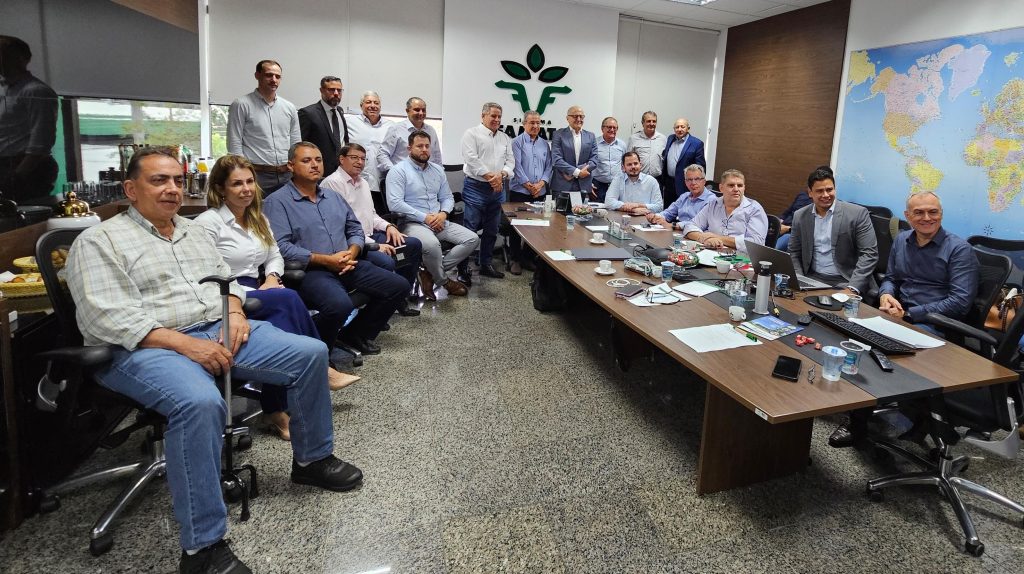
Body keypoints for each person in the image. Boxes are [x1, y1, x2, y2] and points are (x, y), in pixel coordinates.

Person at [66, 147, 362, 573]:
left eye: (176, 179)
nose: (171, 189)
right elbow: (107, 318)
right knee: (201, 402)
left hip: (215, 326)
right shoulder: (100, 241)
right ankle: (202, 550)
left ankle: (312, 461)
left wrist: (236, 313)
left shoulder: (194, 232)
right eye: (158, 180)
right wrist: (188, 346)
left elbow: (229, 284)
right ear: (130, 189)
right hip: (143, 346)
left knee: (310, 353)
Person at [195, 154, 362, 440]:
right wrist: (256, 290)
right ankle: (318, 369)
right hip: (224, 294)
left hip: (261, 288)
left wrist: (272, 277)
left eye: (250, 182)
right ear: (221, 188)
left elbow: (274, 254)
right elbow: (208, 271)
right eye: (237, 184)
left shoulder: (257, 217)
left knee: (283, 318)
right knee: (288, 300)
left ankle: (276, 408)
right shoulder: (207, 223)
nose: (246, 189)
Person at [829, 191, 979, 449]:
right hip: (897, 314)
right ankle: (866, 414)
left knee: (877, 355)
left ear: (941, 214)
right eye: (919, 212)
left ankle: (861, 423)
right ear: (908, 216)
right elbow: (891, 278)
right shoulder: (902, 240)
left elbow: (960, 302)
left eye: (933, 212)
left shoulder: (959, 250)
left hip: (933, 323)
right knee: (854, 340)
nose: (927, 218)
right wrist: (886, 294)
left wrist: (910, 314)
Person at [264, 142, 409, 356]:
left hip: (347, 262)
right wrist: (326, 260)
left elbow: (354, 228)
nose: (314, 165)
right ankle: (315, 351)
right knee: (339, 305)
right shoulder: (277, 202)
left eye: (318, 160)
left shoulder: (332, 196)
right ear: (291, 166)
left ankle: (355, 334)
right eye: (306, 160)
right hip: (311, 270)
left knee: (399, 286)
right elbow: (280, 247)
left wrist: (353, 251)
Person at [320, 142, 423, 316]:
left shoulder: (363, 183)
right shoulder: (332, 184)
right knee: (386, 260)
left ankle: (399, 298)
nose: (359, 162)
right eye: (354, 157)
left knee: (411, 246)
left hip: (371, 235)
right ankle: (376, 310)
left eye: (363, 159)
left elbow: (372, 215)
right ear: (342, 159)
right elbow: (341, 225)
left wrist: (389, 226)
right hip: (351, 242)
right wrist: (374, 245)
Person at [387, 130, 477, 299]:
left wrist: (443, 213)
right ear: (409, 148)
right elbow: (395, 203)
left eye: (427, 146)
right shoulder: (398, 171)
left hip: (438, 220)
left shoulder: (437, 170)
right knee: (432, 245)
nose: (424, 149)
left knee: (472, 239)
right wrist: (425, 218)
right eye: (419, 146)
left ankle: (428, 273)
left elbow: (447, 197)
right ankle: (444, 281)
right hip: (413, 223)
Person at [788, 167, 878, 295]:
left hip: (846, 280)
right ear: (810, 193)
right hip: (812, 278)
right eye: (819, 191)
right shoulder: (800, 216)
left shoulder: (857, 214)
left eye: (829, 190)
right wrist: (799, 279)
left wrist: (852, 288)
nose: (826, 195)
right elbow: (794, 252)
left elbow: (869, 254)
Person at [227, 60, 301, 193]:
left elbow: (296, 143)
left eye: (277, 76)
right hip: (257, 175)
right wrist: (243, 173)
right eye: (269, 75)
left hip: (287, 175)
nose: (274, 80)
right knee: (257, 207)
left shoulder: (289, 107)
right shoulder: (241, 104)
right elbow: (234, 143)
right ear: (257, 75)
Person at [0, 36, 58, 204]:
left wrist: (17, 176)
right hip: (6, 166)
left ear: (20, 59)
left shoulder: (36, 91)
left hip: (26, 169)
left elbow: (41, 141)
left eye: (2, 55)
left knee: (26, 212)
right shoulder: (5, 90)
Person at [460, 102, 514, 280]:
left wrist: (502, 175)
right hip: (476, 187)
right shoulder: (471, 134)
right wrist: (493, 178)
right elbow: (471, 159)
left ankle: (485, 264)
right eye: (493, 116)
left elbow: (510, 162)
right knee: (470, 230)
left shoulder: (505, 138)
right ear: (483, 116)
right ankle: (462, 268)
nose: (497, 119)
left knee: (492, 229)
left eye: (499, 116)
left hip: (497, 190)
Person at [680, 169, 767, 253]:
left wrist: (718, 238)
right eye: (731, 185)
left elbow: (756, 243)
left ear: (744, 188)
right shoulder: (713, 204)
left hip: (741, 258)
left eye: (740, 185)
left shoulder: (754, 209)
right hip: (712, 254)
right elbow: (690, 226)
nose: (736, 189)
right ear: (721, 188)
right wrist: (705, 238)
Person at [508, 110, 551, 275]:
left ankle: (527, 257)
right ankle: (515, 259)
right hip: (520, 191)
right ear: (524, 124)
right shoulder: (516, 142)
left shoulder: (544, 144)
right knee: (516, 226)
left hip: (540, 192)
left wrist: (540, 184)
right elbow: (516, 166)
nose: (535, 126)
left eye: (538, 123)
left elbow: (549, 166)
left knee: (536, 227)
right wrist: (529, 186)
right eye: (532, 122)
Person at [298, 76, 349, 180]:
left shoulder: (340, 111)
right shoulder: (308, 113)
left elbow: (343, 141)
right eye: (331, 90)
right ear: (321, 90)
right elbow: (300, 146)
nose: (336, 93)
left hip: (341, 174)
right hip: (318, 174)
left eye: (339, 90)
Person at [377, 97, 442, 172]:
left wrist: (440, 174)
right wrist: (395, 172)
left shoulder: (431, 131)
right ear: (407, 111)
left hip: (428, 176)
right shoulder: (396, 129)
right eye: (417, 110)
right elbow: (382, 154)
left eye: (423, 110)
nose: (421, 113)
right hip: (403, 177)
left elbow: (437, 158)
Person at [345, 91, 391, 196]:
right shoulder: (349, 122)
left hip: (380, 184)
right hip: (353, 182)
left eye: (376, 103)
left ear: (380, 106)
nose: (372, 106)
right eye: (368, 102)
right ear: (361, 105)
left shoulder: (391, 126)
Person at [646, 164, 713, 228]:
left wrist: (674, 225)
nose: (693, 183)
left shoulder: (711, 200)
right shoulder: (684, 197)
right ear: (685, 182)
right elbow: (669, 212)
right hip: (679, 232)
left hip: (697, 234)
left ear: (704, 181)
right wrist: (656, 217)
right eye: (689, 180)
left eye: (697, 179)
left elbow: (698, 223)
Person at [550, 105, 597, 196]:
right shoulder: (558, 134)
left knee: (582, 206)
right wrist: (577, 172)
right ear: (567, 118)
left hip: (583, 186)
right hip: (562, 185)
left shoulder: (591, 136)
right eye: (575, 116)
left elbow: (594, 160)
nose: (579, 119)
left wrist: (577, 172)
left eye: (581, 116)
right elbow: (556, 159)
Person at [663, 118, 706, 198]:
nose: (679, 129)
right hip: (669, 184)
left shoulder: (697, 143)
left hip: (685, 185)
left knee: (684, 206)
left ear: (688, 128)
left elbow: (700, 168)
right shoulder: (670, 138)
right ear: (674, 129)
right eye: (677, 127)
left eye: (682, 127)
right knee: (668, 205)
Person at [590, 117, 627, 202]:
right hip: (598, 185)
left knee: (616, 208)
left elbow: (625, 165)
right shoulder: (594, 144)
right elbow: (587, 164)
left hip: (616, 185)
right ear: (602, 128)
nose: (612, 130)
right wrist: (588, 183)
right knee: (597, 208)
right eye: (609, 127)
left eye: (615, 128)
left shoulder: (622, 145)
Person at [626, 111, 666, 179]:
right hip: (639, 178)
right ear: (642, 123)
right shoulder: (633, 138)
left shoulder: (663, 139)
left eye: (654, 121)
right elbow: (628, 159)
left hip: (658, 179)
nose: (651, 124)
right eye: (648, 121)